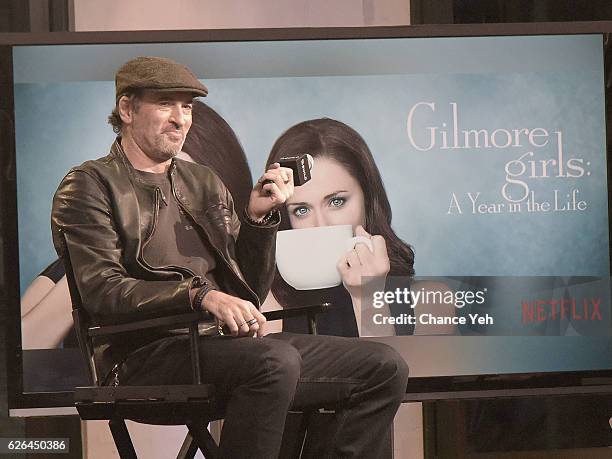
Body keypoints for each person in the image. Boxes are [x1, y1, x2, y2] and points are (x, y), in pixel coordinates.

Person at [51, 56, 408, 459]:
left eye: (187, 107)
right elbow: (103, 290)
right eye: (166, 103)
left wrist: (258, 220)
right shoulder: (88, 185)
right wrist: (200, 296)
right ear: (127, 109)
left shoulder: (203, 182)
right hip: (143, 355)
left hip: (221, 349)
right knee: (274, 360)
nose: (180, 118)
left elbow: (249, 292)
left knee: (383, 367)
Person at [21, 100, 254, 350]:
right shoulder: (89, 226)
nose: (171, 195)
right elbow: (24, 346)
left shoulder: (217, 241)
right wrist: (86, 271)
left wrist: (258, 221)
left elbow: (251, 296)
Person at [263, 118, 455, 337]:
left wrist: (368, 298)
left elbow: (389, 370)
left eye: (336, 202)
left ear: (368, 198)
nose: (321, 225)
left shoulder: (430, 301)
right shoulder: (270, 304)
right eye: (302, 210)